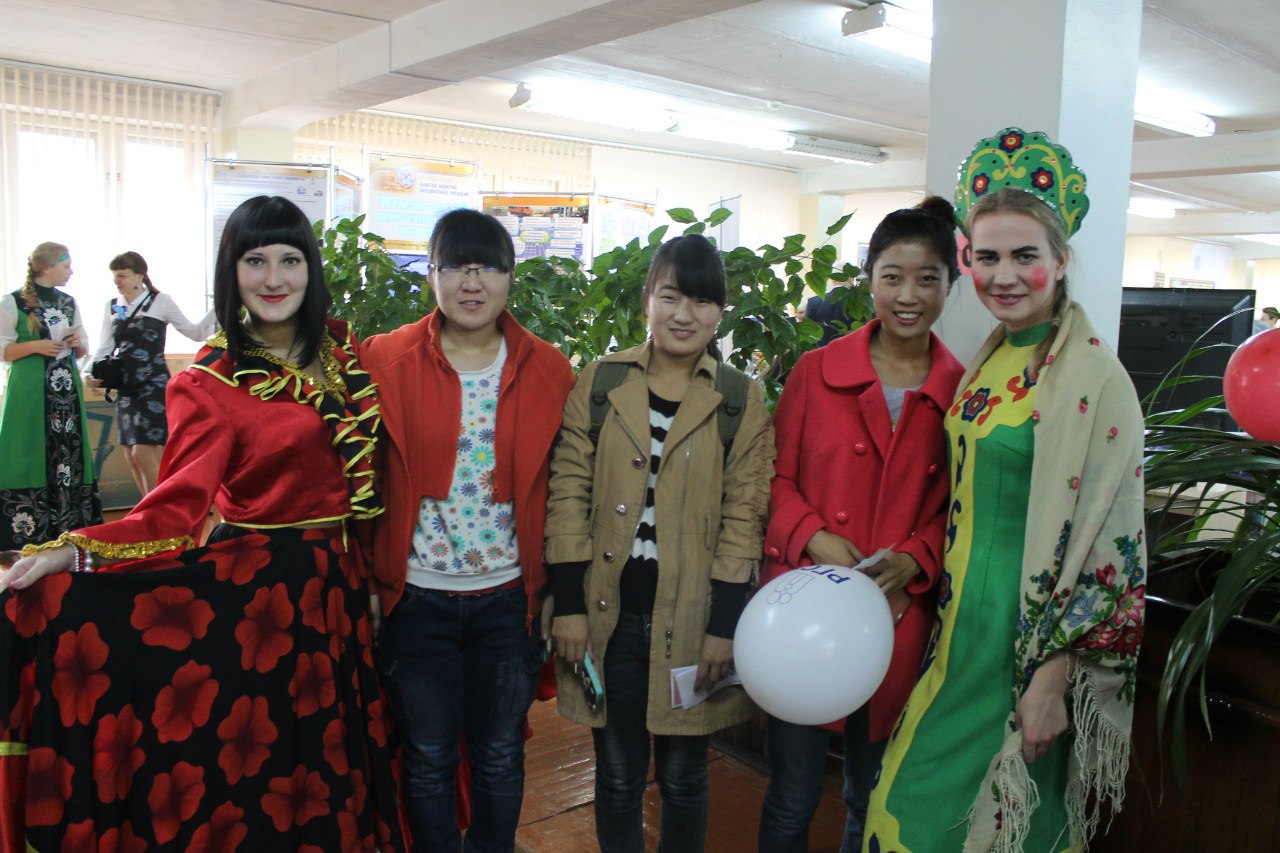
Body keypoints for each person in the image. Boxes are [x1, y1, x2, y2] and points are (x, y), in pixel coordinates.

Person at [0, 195, 404, 853]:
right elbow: (174, 506)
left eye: (290, 260)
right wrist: (69, 551)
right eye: (255, 261)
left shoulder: (344, 353)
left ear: (310, 267)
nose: (273, 278)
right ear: (231, 271)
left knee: (335, 756)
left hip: (341, 587)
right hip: (263, 598)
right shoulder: (211, 379)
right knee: (272, 766)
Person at [865, 129, 1147, 853]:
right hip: (957, 636)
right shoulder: (988, 360)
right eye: (987, 258)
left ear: (1061, 260)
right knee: (901, 813)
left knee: (997, 826)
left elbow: (1111, 550)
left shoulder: (1096, 381)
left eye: (1025, 256)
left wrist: (1050, 679)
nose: (1004, 275)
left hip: (1021, 652)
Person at [545, 233, 775, 853]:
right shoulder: (602, 383)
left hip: (694, 619)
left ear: (719, 312)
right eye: (671, 296)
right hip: (609, 617)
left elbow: (745, 516)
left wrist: (724, 626)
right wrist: (569, 604)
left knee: (683, 778)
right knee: (618, 776)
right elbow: (567, 494)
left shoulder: (738, 398)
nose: (684, 314)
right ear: (648, 297)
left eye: (702, 301)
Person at [361, 208, 574, 853]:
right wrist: (371, 579)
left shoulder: (549, 371)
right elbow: (361, 479)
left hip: (508, 602)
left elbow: (567, 492)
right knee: (427, 754)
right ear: (432, 274)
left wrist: (557, 587)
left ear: (510, 277)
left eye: (488, 267)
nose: (471, 282)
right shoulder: (385, 359)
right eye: (455, 266)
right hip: (416, 598)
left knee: (500, 754)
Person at [756, 197, 965, 853]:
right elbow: (772, 478)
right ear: (868, 278)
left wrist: (916, 556)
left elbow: (960, 507)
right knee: (792, 793)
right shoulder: (816, 371)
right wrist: (814, 536)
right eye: (892, 276)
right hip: (806, 613)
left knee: (871, 794)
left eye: (928, 278)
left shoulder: (963, 391)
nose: (909, 296)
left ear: (951, 285)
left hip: (897, 615)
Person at [85, 251, 217, 496]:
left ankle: (160, 508)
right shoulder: (113, 306)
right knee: (130, 453)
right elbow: (104, 346)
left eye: (122, 275)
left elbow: (196, 333)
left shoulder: (160, 301)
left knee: (143, 451)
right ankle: (147, 508)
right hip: (125, 385)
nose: (117, 281)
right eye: (115, 276)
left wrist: (220, 306)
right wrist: (89, 372)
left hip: (153, 384)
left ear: (140, 275)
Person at [0, 242, 100, 552]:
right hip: (29, 391)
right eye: (66, 265)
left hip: (65, 391)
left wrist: (77, 344)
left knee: (67, 450)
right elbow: (3, 350)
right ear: (46, 267)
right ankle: (27, 530)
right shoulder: (13, 301)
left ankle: (69, 525)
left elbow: (83, 348)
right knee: (28, 448)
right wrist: (36, 346)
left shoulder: (69, 302)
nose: (71, 272)